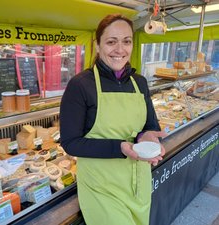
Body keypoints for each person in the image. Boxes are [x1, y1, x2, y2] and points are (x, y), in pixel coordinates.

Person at [60, 14, 167, 225]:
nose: (120, 49)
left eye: (126, 41)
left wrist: (148, 137)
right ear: (98, 46)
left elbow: (150, 126)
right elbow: (71, 143)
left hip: (138, 182)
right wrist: (121, 147)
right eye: (111, 42)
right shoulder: (80, 85)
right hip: (101, 186)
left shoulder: (140, 82)